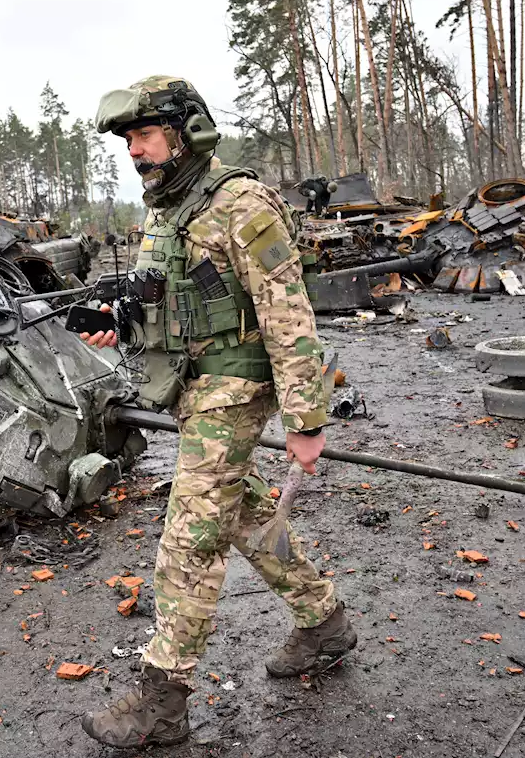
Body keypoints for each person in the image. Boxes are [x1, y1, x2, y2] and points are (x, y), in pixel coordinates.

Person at [79, 76, 357, 748]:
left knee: (190, 536)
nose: (135, 151)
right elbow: (172, 300)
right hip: (192, 385)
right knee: (241, 510)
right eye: (128, 141)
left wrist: (306, 421)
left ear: (182, 132)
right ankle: (324, 621)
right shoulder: (167, 208)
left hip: (234, 385)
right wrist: (120, 321)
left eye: (144, 136)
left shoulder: (242, 203)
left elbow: (288, 313)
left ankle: (161, 698)